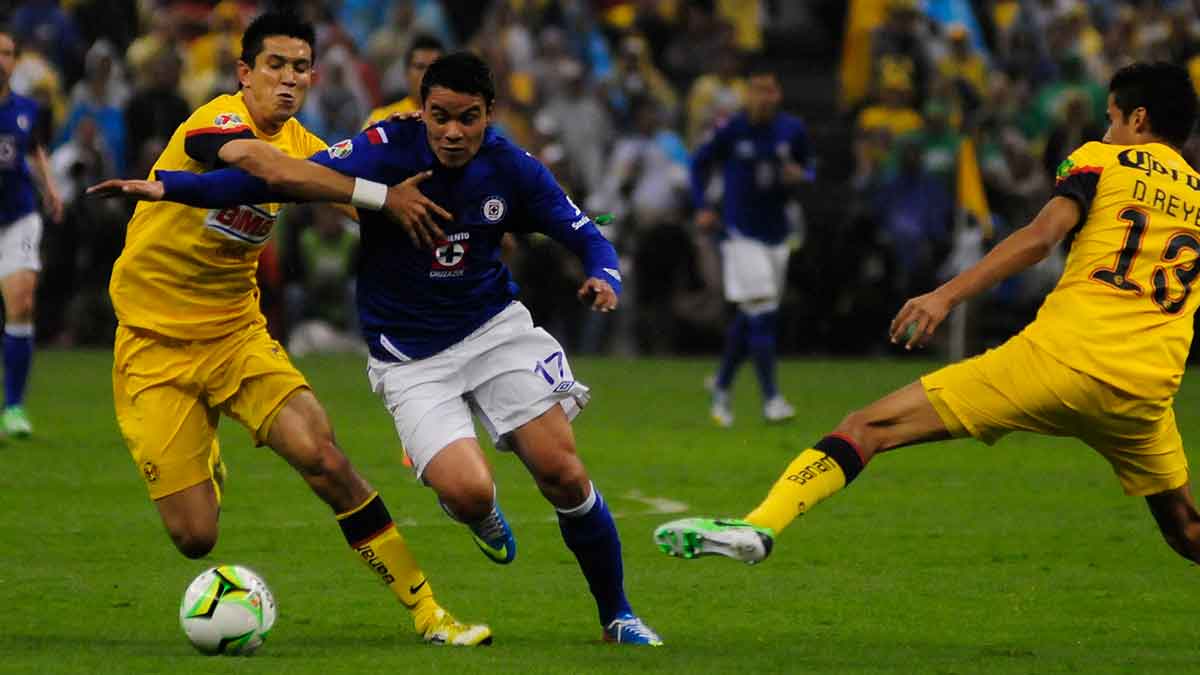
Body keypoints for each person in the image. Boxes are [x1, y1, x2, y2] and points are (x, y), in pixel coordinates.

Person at [92, 51, 663, 647]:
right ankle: (476, 513)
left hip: (494, 332)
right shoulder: (383, 148)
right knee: (469, 493)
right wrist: (170, 185)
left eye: (467, 118)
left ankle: (617, 615)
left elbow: (586, 234)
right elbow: (273, 177)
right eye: (439, 115)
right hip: (412, 357)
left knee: (564, 474)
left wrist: (606, 276)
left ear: (489, 115)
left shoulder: (512, 167)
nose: (451, 131)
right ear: (422, 109)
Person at [653, 63, 1200, 576]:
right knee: (1184, 530)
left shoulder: (1100, 160)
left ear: (1138, 119)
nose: (1106, 129)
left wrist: (944, 296)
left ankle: (760, 525)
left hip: (1058, 362)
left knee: (865, 428)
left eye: (1110, 117)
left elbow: (1040, 238)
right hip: (1145, 392)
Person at [100, 12, 489, 646]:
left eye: (300, 68)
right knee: (195, 537)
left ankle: (428, 612)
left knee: (324, 459)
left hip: (235, 337)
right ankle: (206, 452)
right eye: (275, 66)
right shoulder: (217, 121)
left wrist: (470, 208)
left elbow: (354, 195)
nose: (288, 80)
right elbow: (263, 167)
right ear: (244, 73)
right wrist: (377, 197)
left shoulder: (309, 151)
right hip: (153, 347)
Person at [690, 63, 812, 427]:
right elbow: (699, 164)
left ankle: (723, 387)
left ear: (778, 94)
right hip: (740, 233)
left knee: (755, 314)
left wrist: (800, 175)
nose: (763, 97)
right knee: (760, 310)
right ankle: (772, 399)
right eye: (757, 89)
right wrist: (702, 208)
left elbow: (810, 168)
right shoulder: (732, 129)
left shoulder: (793, 129)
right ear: (748, 93)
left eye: (769, 89)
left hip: (777, 234)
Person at [0, 29, 62, 438]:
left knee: (21, 302)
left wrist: (51, 188)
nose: (0, 60)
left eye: (6, 53)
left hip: (18, 216)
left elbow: (35, 149)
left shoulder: (27, 108)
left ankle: (14, 408)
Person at [362, 34, 443, 128]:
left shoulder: (457, 118)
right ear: (406, 72)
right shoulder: (381, 120)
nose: (427, 74)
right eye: (420, 67)